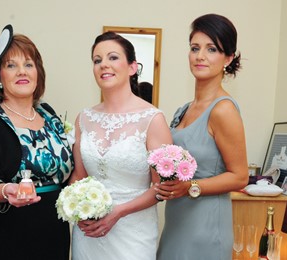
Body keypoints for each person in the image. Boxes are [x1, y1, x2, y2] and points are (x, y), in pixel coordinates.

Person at [0, 23, 74, 260]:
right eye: (11, 65)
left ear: (38, 73)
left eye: (28, 64)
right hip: (10, 229)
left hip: (55, 228)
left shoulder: (49, 114)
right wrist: (8, 190)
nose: (22, 72)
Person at [69, 31, 172, 260]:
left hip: (133, 233)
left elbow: (160, 188)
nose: (104, 64)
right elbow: (79, 176)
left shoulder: (152, 119)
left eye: (113, 57)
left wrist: (118, 212)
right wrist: (77, 209)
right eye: (97, 60)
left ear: (132, 67)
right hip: (89, 233)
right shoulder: (83, 119)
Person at [156, 13, 249, 260]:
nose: (200, 56)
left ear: (228, 58)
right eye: (195, 48)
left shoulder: (223, 110)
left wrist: (190, 187)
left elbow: (240, 176)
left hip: (206, 229)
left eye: (211, 49)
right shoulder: (182, 110)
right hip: (177, 222)